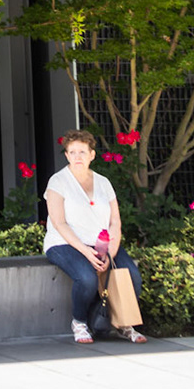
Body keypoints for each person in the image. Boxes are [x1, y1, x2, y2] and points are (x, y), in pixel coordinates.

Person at [42, 129, 147, 343]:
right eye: (72, 152)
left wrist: (110, 252)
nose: (77, 157)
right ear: (66, 155)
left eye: (82, 152)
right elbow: (59, 223)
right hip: (65, 243)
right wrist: (86, 252)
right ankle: (80, 322)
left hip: (103, 244)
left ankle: (121, 322)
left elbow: (115, 221)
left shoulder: (103, 182)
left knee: (132, 276)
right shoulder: (58, 182)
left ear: (92, 154)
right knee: (87, 278)